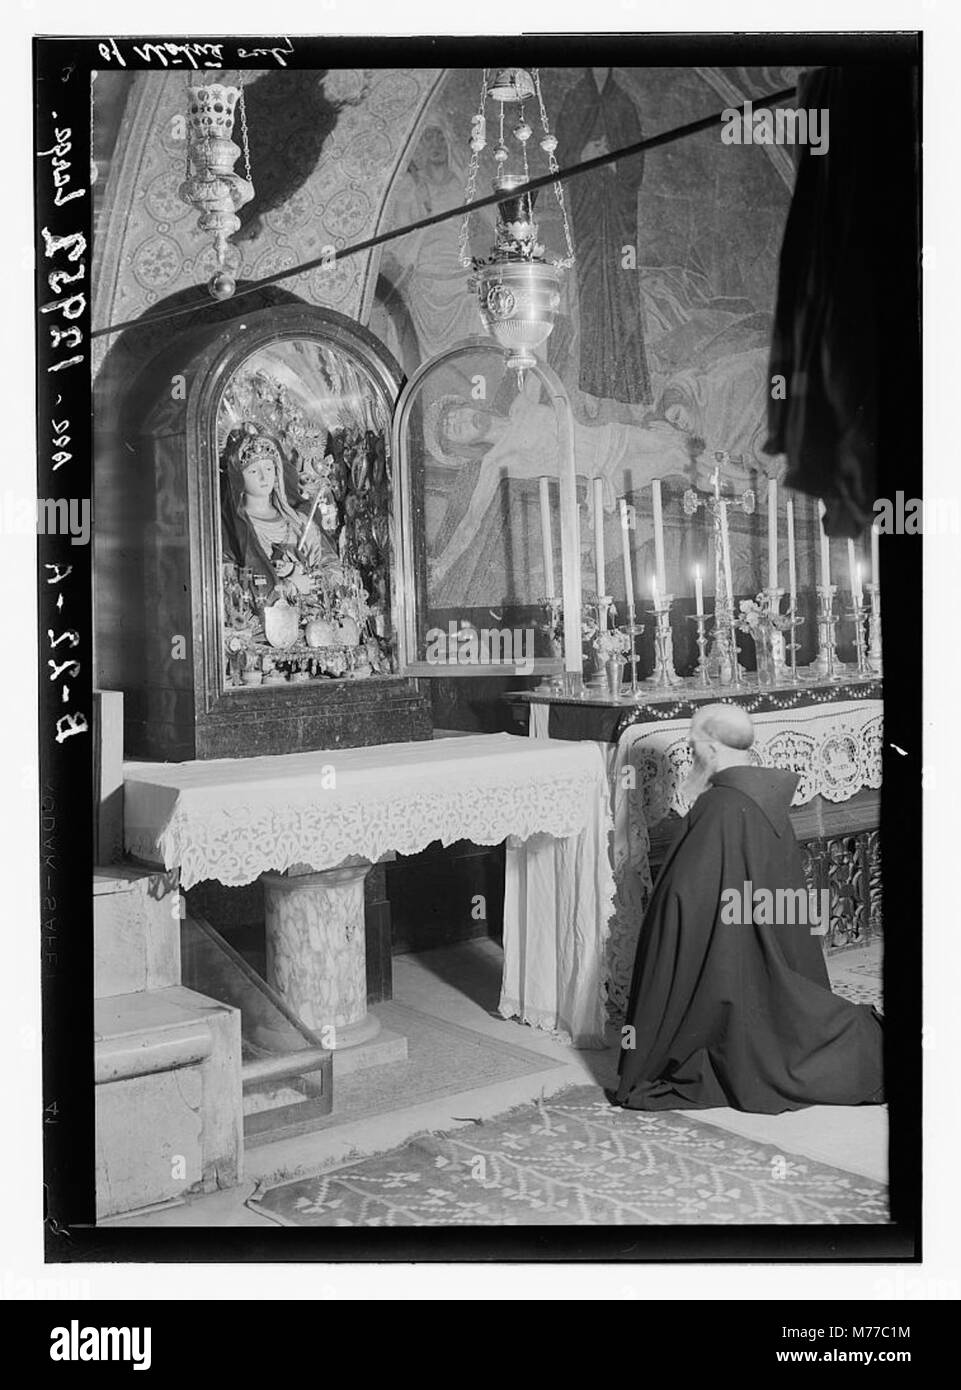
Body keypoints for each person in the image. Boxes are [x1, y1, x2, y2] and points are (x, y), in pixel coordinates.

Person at [614, 703, 884, 1113]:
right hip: (755, 954)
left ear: (710, 748)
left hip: (734, 970)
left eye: (693, 745)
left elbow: (682, 900)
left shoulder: (721, 807)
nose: (692, 755)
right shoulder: (761, 796)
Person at [220, 423, 340, 597]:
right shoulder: (231, 530)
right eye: (253, 471)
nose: (264, 477)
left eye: (269, 468)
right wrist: (287, 586)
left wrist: (310, 577)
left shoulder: (299, 522)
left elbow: (334, 569)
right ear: (239, 477)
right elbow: (230, 583)